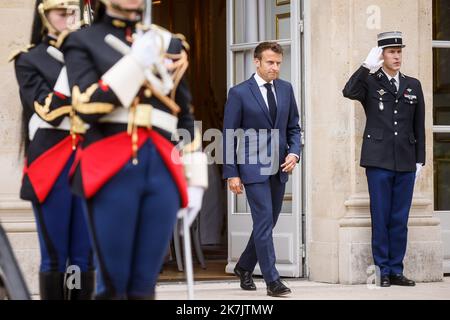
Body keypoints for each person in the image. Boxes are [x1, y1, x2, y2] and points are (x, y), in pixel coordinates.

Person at [62, 0, 206, 299]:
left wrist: (195, 178)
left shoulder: (169, 42)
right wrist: (136, 63)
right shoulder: (82, 41)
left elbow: (185, 114)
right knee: (114, 285)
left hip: (162, 171)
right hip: (112, 167)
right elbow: (86, 105)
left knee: (144, 285)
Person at [10, 0, 94, 300]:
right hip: (51, 164)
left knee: (85, 257)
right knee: (56, 256)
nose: (68, 19)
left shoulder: (90, 56)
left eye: (73, 12)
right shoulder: (28, 59)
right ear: (44, 15)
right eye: (62, 13)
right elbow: (50, 110)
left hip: (88, 162)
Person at [343, 31, 425, 287]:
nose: (397, 56)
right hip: (378, 161)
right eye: (391, 52)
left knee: (399, 219)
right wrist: (366, 67)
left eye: (399, 51)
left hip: (405, 160)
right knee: (381, 217)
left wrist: (420, 159)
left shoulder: (413, 84)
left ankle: (397, 269)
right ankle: (382, 271)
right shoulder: (370, 81)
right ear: (381, 54)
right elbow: (348, 91)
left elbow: (418, 125)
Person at [223, 41, 302, 297]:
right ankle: (272, 280)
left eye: (278, 63)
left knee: (268, 221)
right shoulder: (239, 93)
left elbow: (294, 128)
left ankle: (244, 266)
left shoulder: (286, 90)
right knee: (264, 219)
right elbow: (228, 135)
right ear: (256, 62)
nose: (275, 68)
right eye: (270, 62)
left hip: (279, 166)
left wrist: (294, 152)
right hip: (252, 166)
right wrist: (232, 172)